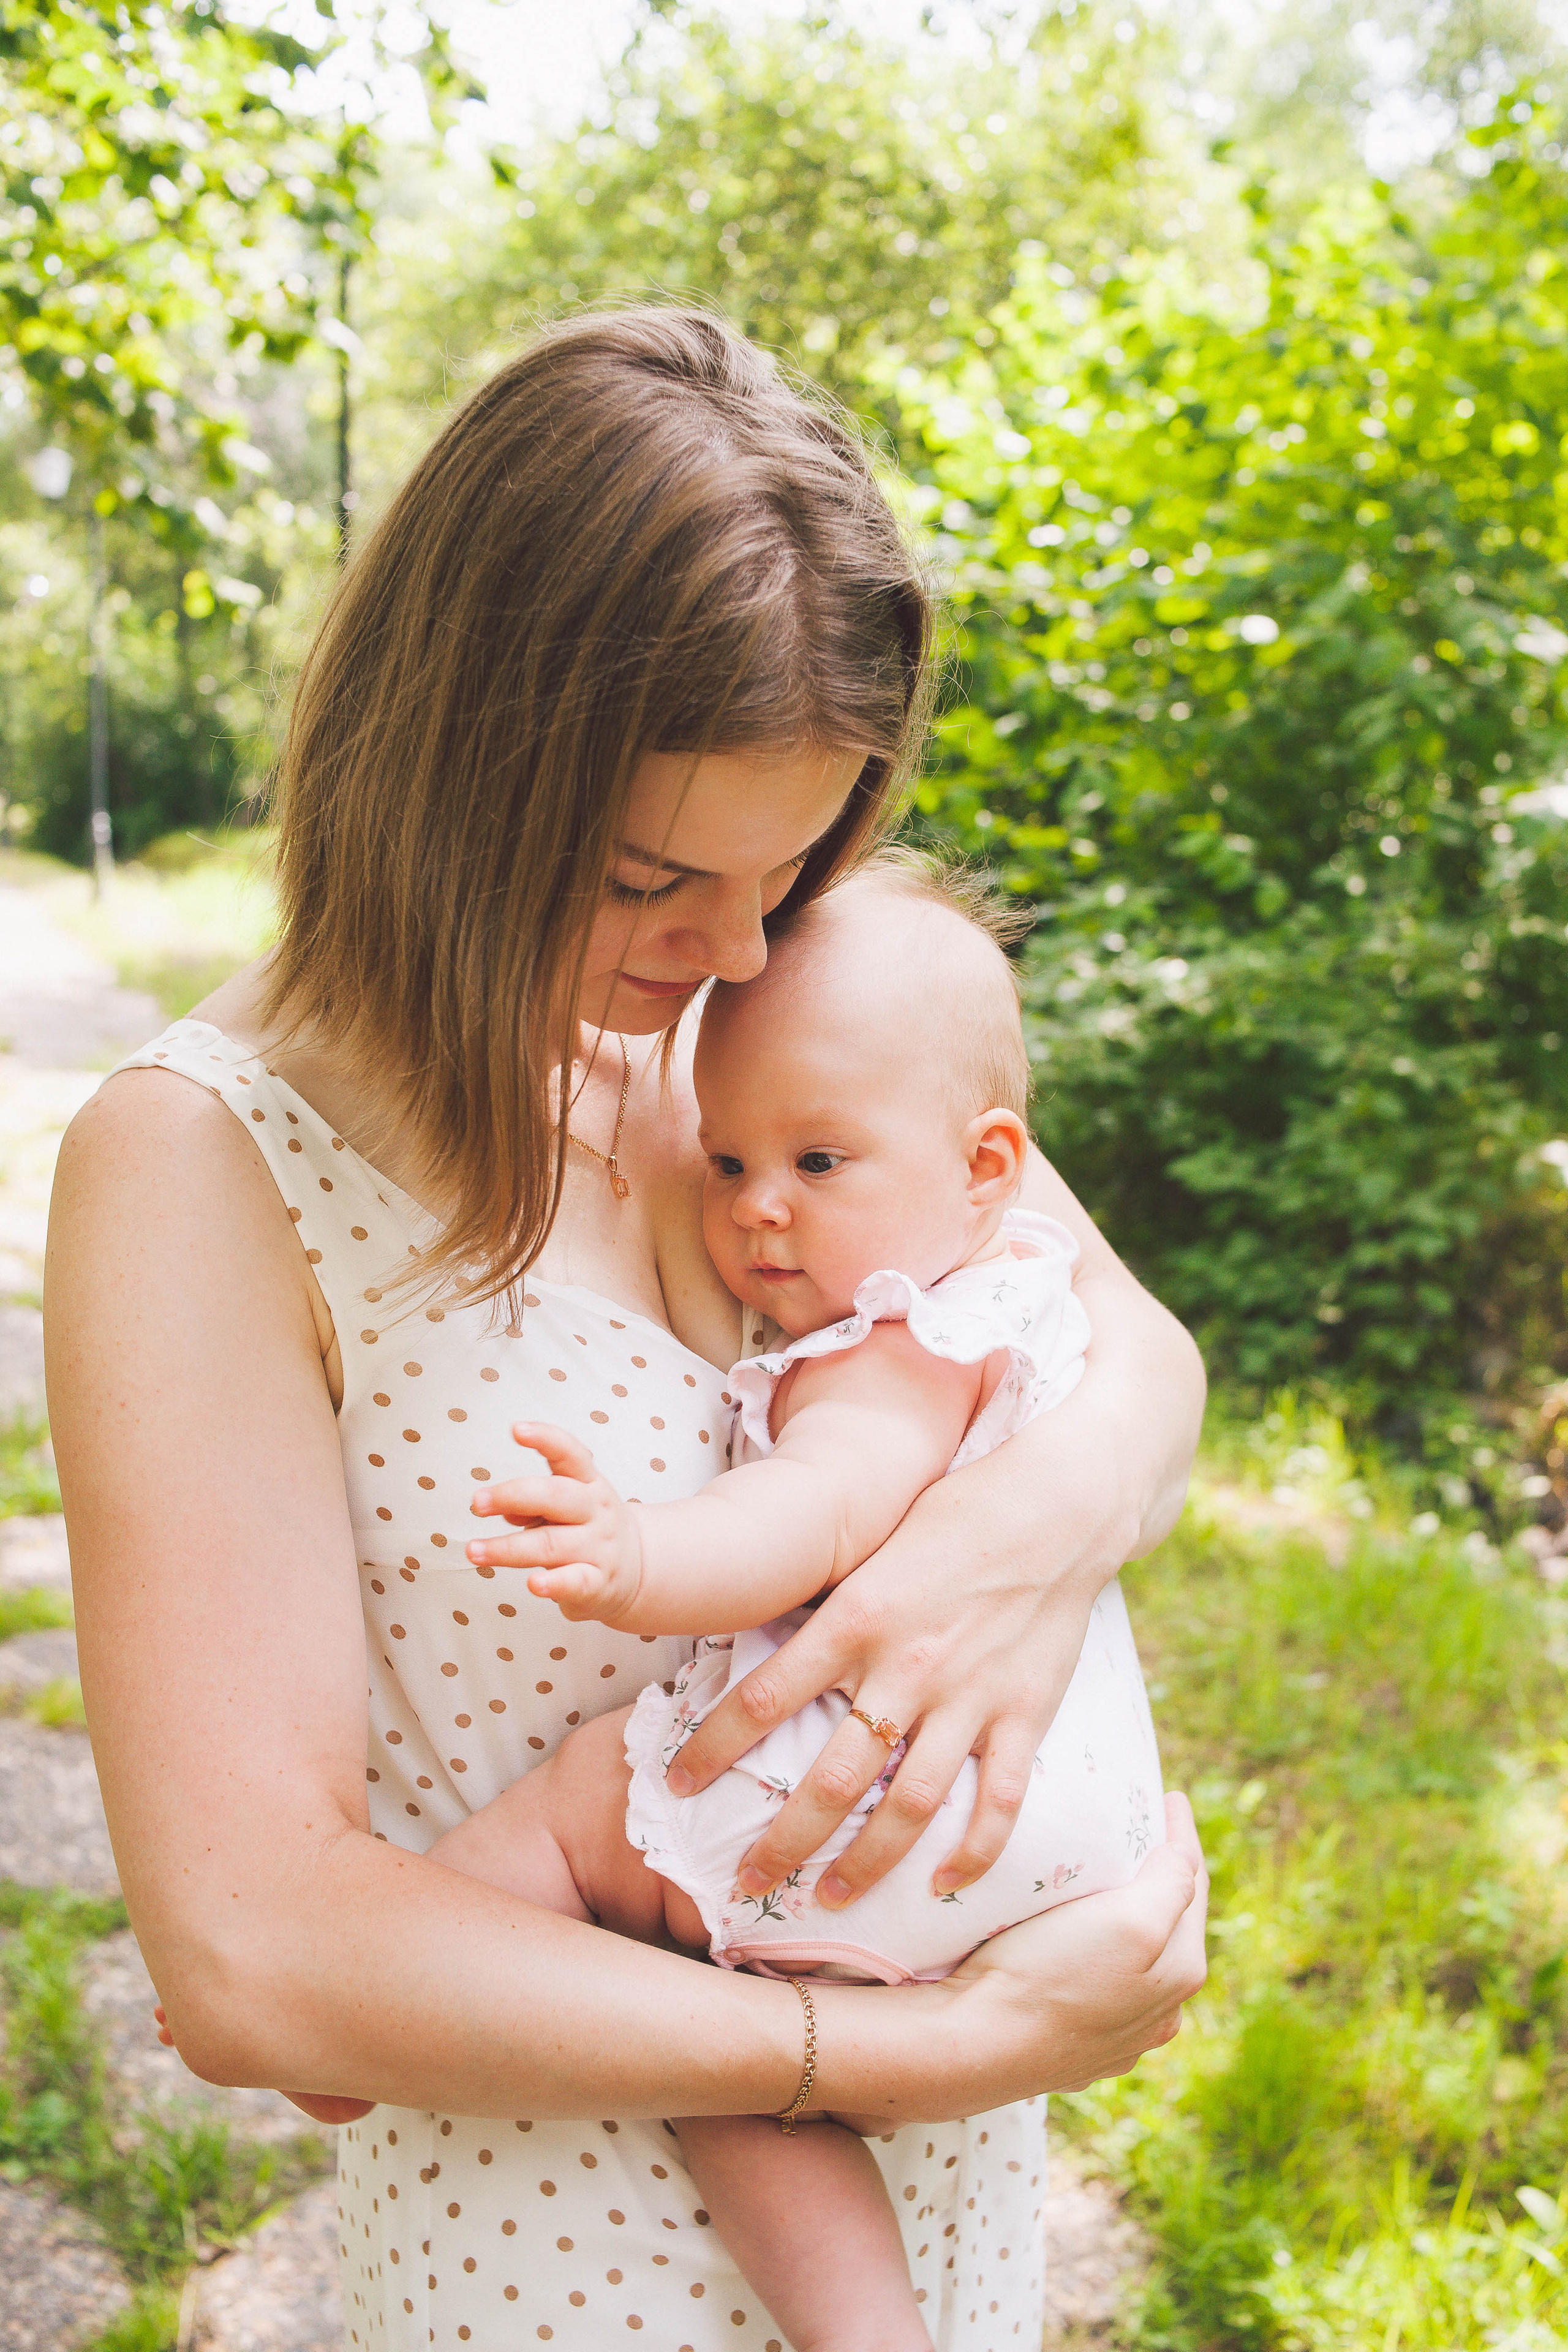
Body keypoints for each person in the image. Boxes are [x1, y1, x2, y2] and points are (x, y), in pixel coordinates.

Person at [47, 307, 1208, 2352]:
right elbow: (251, 1962)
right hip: (559, 2264)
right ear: (449, 775)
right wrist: (911, 2056)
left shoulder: (774, 1025)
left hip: (952, 2233)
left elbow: (1132, 1357)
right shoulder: (206, 1170)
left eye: (794, 865)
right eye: (649, 875)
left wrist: (1009, 1549)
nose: (735, 950)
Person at [417, 853, 1166, 2352]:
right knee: (744, 2074)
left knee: (585, 1819)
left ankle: (362, 2004)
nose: (762, 1213)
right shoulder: (1025, 1286)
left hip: (854, 1810)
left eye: (818, 1164)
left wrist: (640, 1559)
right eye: (728, 1163)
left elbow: (810, 1509)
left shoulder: (899, 1340)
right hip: (1025, 1847)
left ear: (986, 1163)